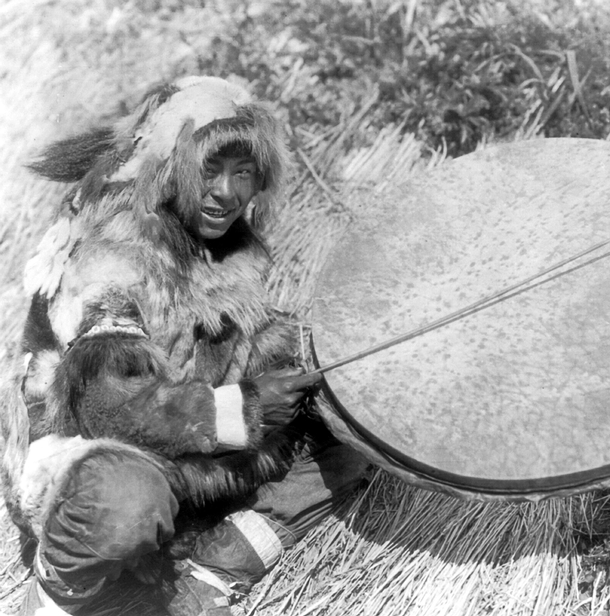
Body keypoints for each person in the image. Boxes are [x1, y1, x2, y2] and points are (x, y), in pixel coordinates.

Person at [1, 76, 369, 616]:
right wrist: (245, 408)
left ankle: (213, 573)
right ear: (168, 165)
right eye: (210, 169)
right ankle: (58, 593)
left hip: (184, 442)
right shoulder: (111, 253)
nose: (227, 192)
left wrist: (310, 362)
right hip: (90, 461)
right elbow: (108, 410)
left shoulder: (219, 243)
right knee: (123, 500)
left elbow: (238, 348)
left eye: (243, 172)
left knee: (351, 422)